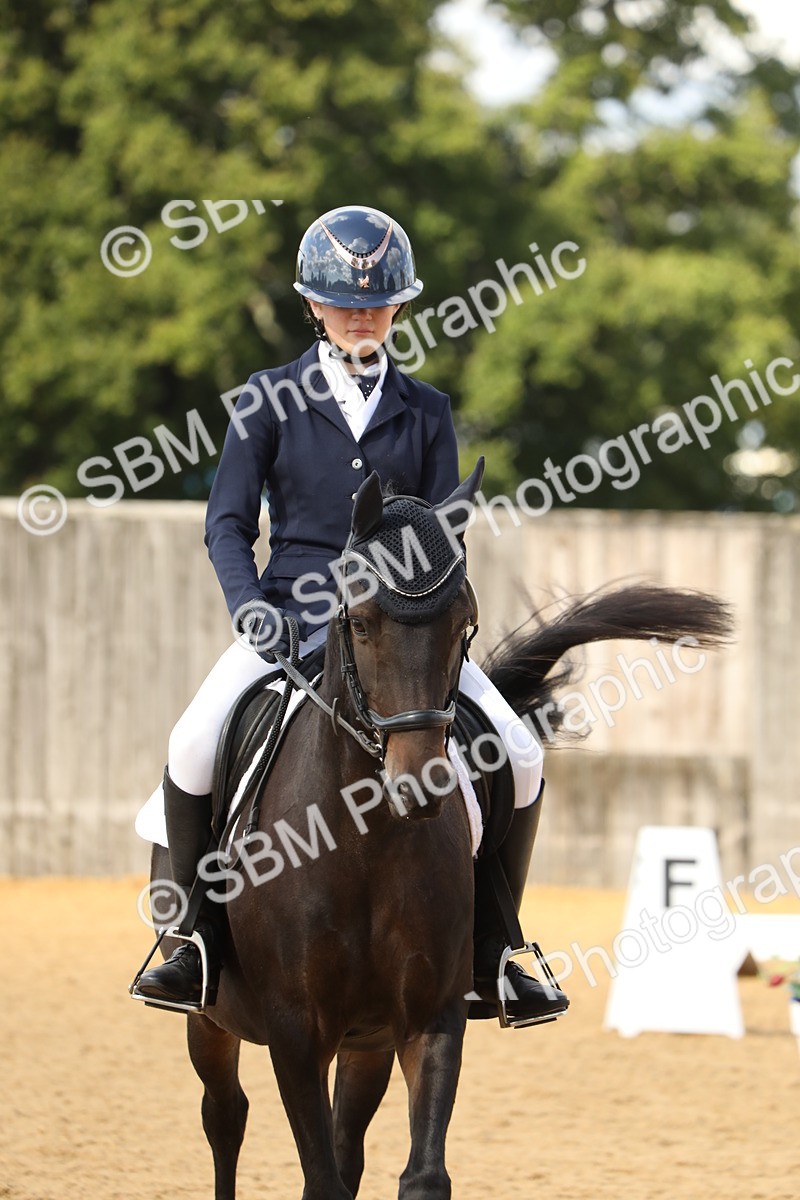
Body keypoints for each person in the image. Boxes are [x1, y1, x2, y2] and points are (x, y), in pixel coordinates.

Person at [135, 204, 568, 1023]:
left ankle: (498, 948)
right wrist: (248, 607)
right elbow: (227, 522)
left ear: (398, 308)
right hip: (291, 620)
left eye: (376, 304)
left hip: (401, 635)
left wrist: (432, 623)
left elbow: (445, 536)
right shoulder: (267, 398)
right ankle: (189, 942)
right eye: (344, 303)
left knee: (518, 750)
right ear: (314, 307)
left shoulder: (427, 409)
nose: (361, 316)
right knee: (190, 742)